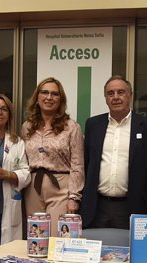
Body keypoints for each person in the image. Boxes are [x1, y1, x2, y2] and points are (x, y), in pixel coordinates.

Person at [81, 76, 147, 229]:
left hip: (132, 207)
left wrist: (143, 195)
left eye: (121, 92)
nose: (116, 97)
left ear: (130, 95)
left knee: (131, 252)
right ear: (105, 98)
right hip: (97, 207)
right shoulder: (93, 124)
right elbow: (86, 163)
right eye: (110, 93)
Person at [22, 77, 84, 234]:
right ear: (37, 97)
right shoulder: (27, 127)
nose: (49, 97)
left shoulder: (72, 127)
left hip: (60, 187)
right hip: (32, 188)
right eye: (44, 93)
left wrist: (73, 197)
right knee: (36, 236)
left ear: (60, 100)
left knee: (57, 237)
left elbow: (77, 164)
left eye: (54, 94)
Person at [0, 94, 30, 248]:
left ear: (9, 114)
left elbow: (26, 172)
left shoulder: (16, 142)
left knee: (0, 250)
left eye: (4, 109)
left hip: (2, 204)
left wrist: (7, 174)